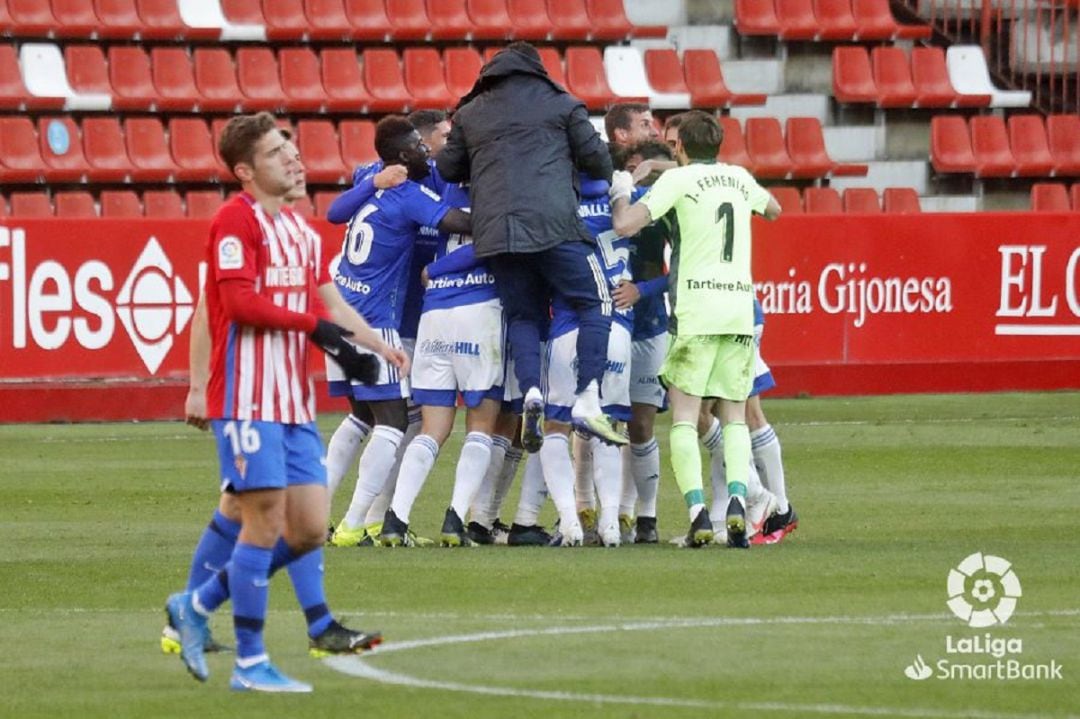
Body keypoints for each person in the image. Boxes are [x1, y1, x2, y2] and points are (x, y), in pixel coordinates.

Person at [165, 112, 407, 692]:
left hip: (293, 402)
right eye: (277, 152)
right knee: (263, 519)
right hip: (246, 398)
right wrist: (318, 332)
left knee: (308, 530)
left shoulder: (299, 227)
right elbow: (240, 304)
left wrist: (374, 343)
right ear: (245, 171)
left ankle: (196, 606)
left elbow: (331, 300)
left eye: (290, 147)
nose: (292, 157)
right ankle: (251, 662)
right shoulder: (233, 221)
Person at [436, 41, 625, 458]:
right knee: (597, 303)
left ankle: (532, 392)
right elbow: (600, 163)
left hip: (497, 234)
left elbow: (447, 167)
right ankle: (588, 397)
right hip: (556, 225)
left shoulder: (471, 111)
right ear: (536, 70)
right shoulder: (562, 103)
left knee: (523, 315)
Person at [610, 110, 781, 548]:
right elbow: (775, 210)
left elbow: (625, 225)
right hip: (739, 311)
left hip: (696, 311)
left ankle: (698, 513)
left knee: (685, 419)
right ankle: (740, 503)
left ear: (680, 146)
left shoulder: (677, 182)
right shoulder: (739, 177)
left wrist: (625, 190)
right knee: (735, 417)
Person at [328, 116, 472, 548]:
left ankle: (331, 515)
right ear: (408, 151)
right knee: (392, 421)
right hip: (376, 323)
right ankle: (355, 524)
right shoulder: (407, 193)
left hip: (344, 315)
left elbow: (336, 211)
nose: (432, 150)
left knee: (365, 417)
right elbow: (456, 224)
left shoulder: (375, 176)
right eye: (426, 143)